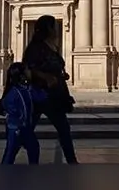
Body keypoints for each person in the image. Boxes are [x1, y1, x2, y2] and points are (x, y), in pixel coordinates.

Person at [22, 14, 78, 164]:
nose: (56, 29)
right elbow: (28, 68)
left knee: (63, 128)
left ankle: (72, 160)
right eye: (54, 26)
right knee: (29, 127)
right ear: (48, 28)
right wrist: (45, 77)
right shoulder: (35, 48)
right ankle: (18, 148)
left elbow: (55, 65)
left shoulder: (53, 45)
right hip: (41, 93)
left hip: (55, 93)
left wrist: (61, 74)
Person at [0, 62, 46, 165]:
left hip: (25, 127)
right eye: (27, 70)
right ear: (22, 75)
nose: (30, 72)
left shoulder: (28, 89)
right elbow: (8, 105)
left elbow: (41, 97)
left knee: (33, 148)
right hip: (16, 128)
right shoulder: (14, 92)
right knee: (11, 152)